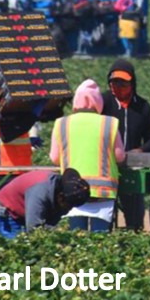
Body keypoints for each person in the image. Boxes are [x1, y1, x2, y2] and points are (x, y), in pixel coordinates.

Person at [50, 79, 125, 232]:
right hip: (102, 191)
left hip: (72, 189)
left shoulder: (61, 123)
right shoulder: (109, 123)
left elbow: (54, 158)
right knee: (100, 239)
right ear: (98, 102)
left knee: (76, 237)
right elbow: (120, 157)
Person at [100, 59, 150, 230]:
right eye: (114, 82)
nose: (117, 87)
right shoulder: (103, 103)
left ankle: (134, 234)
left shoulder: (142, 107)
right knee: (106, 215)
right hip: (106, 167)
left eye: (123, 83)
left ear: (132, 83)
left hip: (132, 168)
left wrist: (141, 150)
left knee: (135, 215)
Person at [0, 168, 91, 239]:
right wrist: (60, 233)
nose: (69, 209)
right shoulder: (39, 192)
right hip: (10, 214)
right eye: (69, 206)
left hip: (27, 212)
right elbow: (34, 228)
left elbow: (50, 221)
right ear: (60, 197)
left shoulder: (61, 190)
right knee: (16, 248)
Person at [0, 96, 41, 192]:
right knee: (14, 202)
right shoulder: (5, 102)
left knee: (5, 201)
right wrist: (32, 116)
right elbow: (9, 132)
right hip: (9, 164)